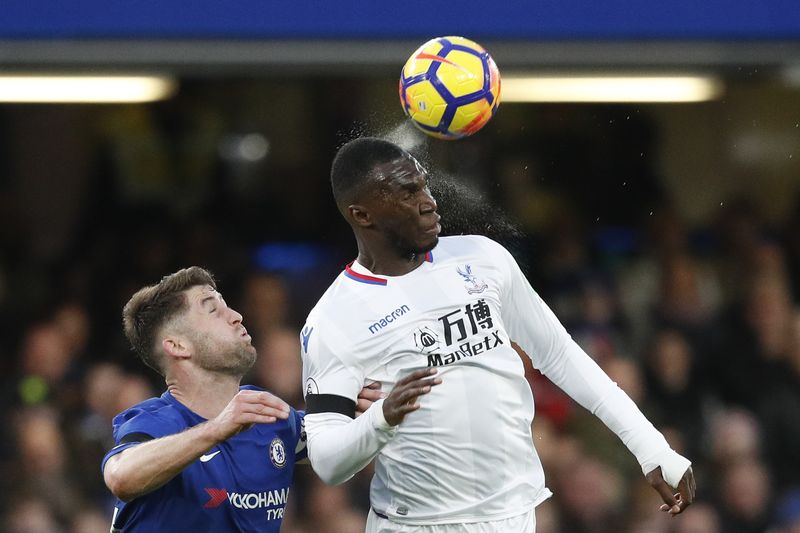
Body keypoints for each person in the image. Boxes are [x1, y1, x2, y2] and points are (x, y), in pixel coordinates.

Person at [300, 137, 696, 532]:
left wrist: (649, 444)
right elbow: (328, 461)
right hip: (417, 524)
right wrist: (381, 419)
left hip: (515, 517)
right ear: (362, 215)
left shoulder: (483, 258)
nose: (428, 201)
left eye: (423, 184)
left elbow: (559, 355)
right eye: (407, 193)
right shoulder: (333, 320)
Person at [102, 267, 385, 531]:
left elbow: (334, 438)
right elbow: (120, 477)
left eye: (228, 305)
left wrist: (362, 411)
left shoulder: (266, 414)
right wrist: (217, 428)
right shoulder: (155, 421)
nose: (236, 315)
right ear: (178, 346)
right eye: (213, 310)